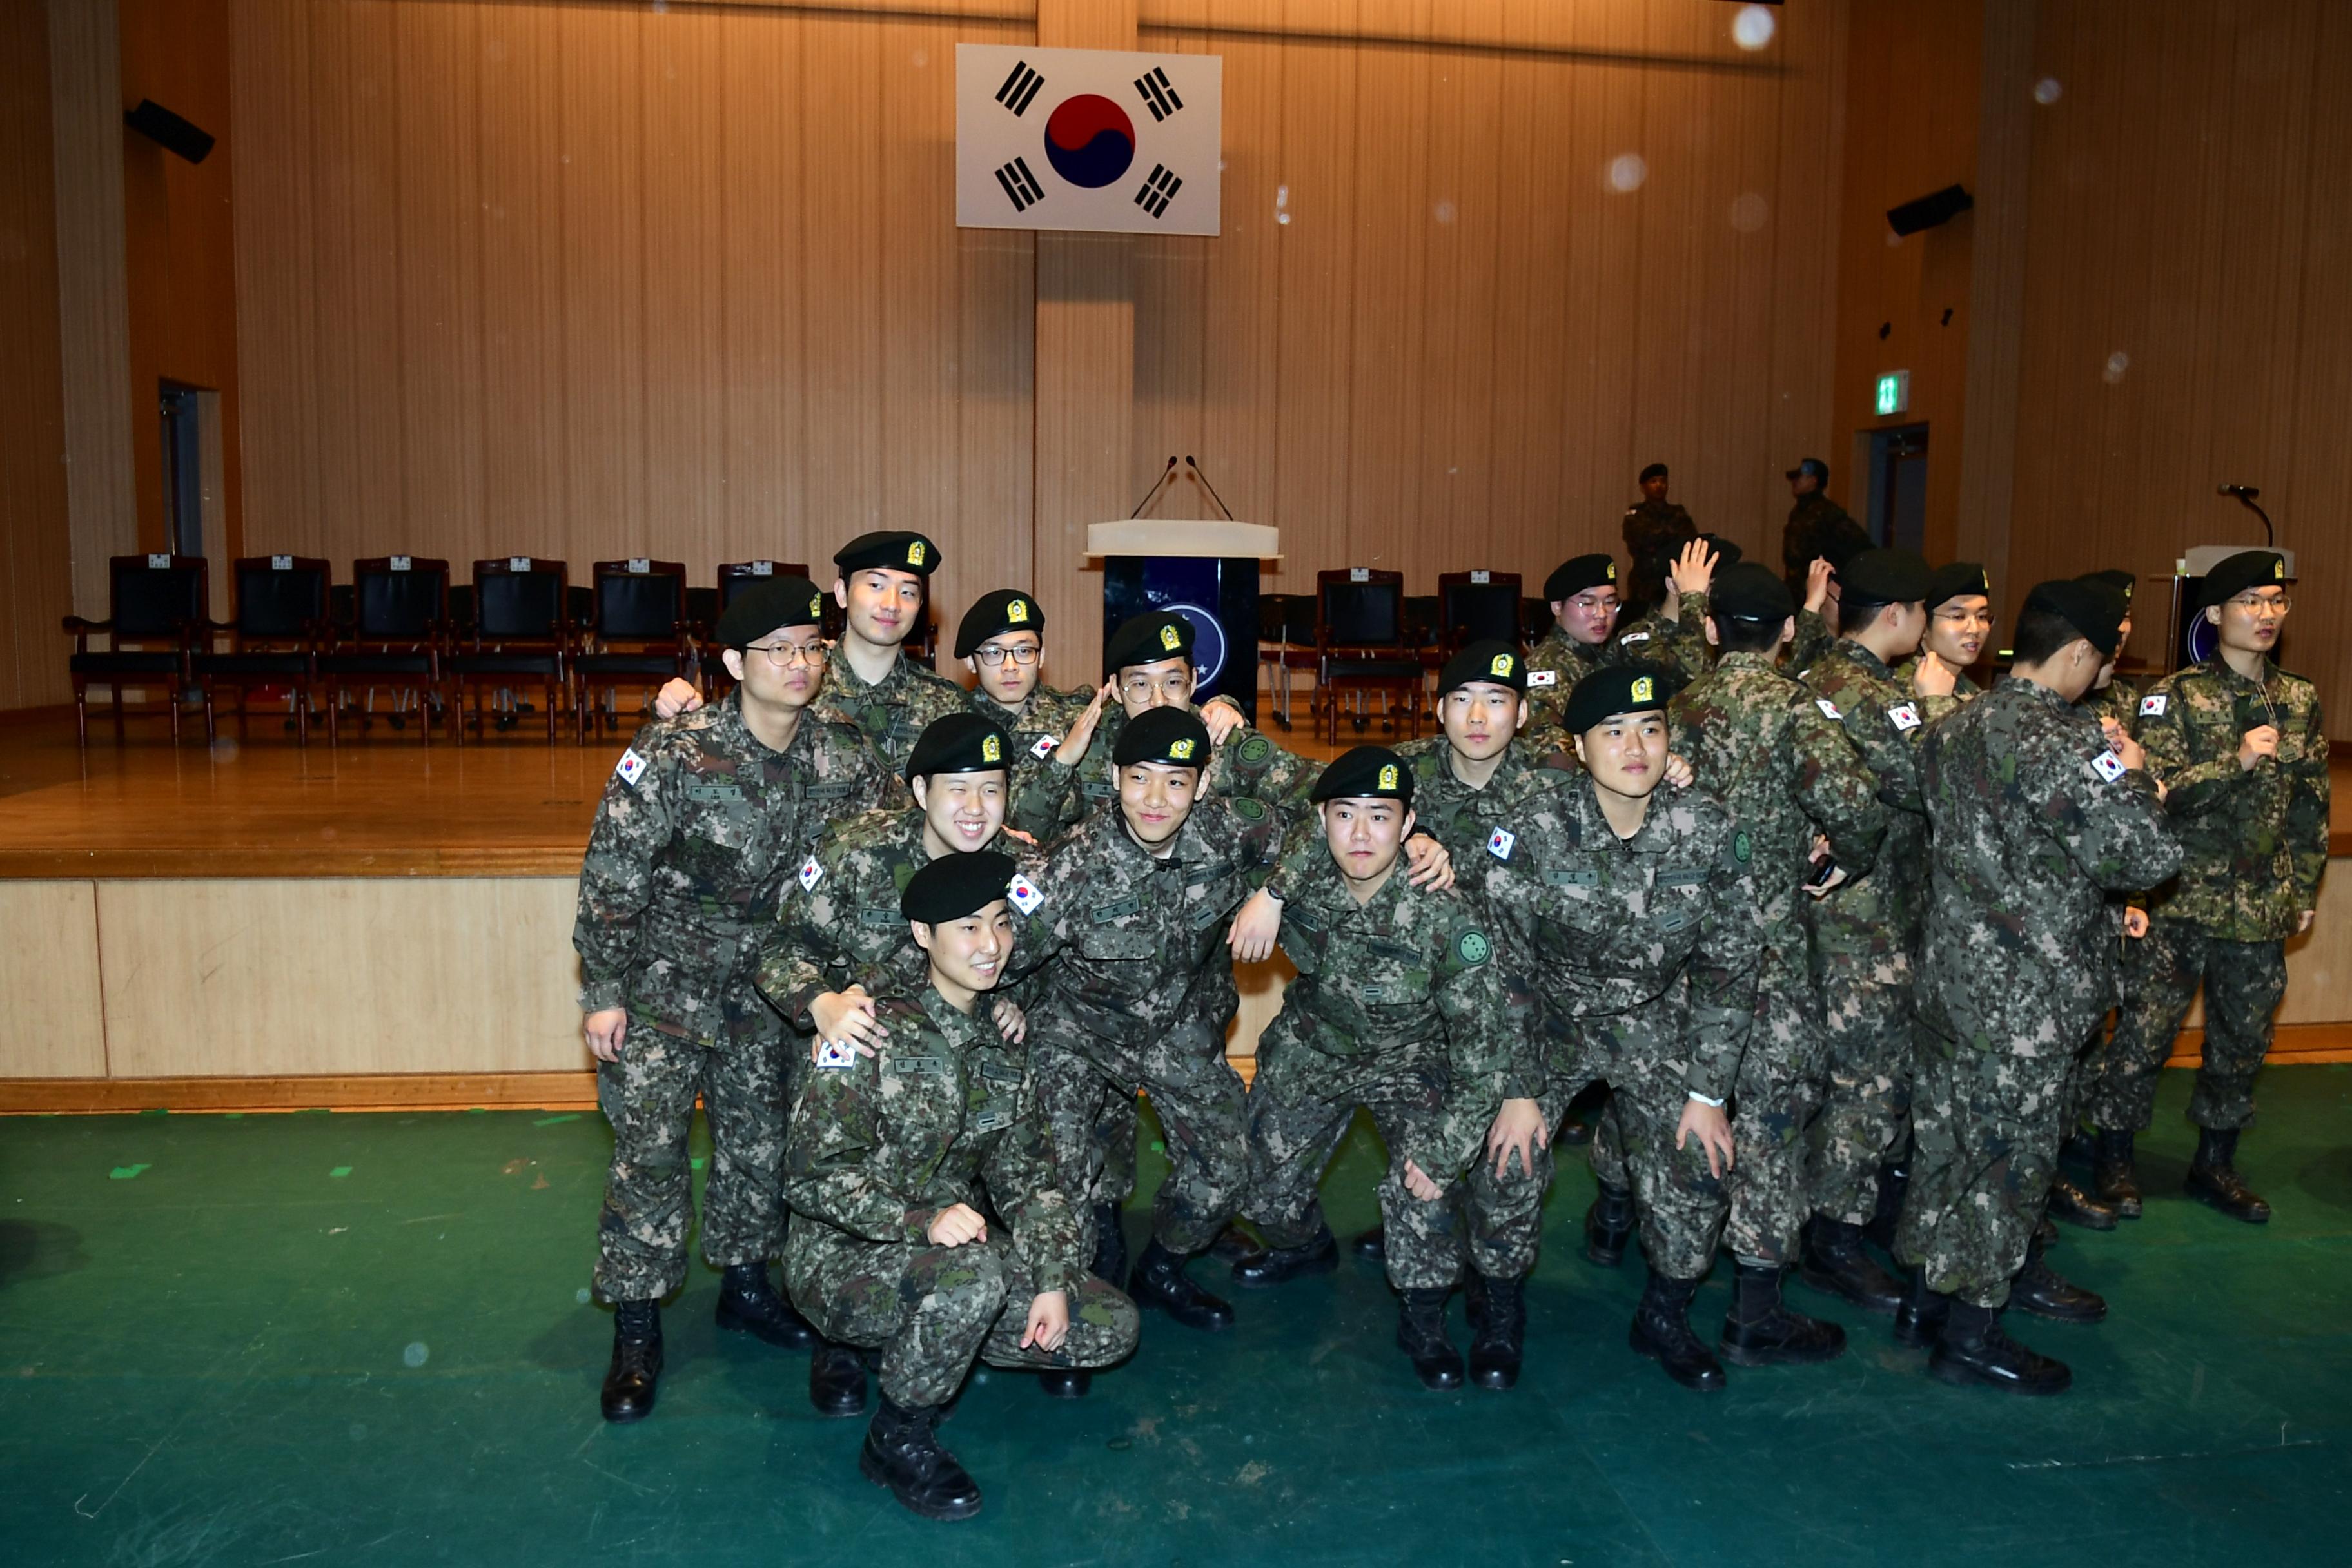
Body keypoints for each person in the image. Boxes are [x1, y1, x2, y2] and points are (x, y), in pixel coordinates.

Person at [573, 579, 897, 1423]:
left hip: (769, 994)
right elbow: (613, 869)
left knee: (759, 1150)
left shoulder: (844, 754)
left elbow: (890, 849)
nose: (798, 664)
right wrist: (603, 990)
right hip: (663, 992)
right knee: (648, 1157)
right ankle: (638, 1327)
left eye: (811, 648)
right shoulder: (676, 752)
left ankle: (746, 1288)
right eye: (778, 650)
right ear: (731, 664)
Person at [782, 850, 1140, 1522]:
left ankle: (918, 1340)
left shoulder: (1003, 1044)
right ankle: (899, 1434)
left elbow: (1032, 1182)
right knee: (970, 1277)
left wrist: (1053, 1278)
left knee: (1108, 1326)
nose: (992, 944)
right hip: (836, 1256)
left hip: (940, 1248)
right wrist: (920, 1218)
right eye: (968, 927)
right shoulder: (869, 1027)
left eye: (1001, 924)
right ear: (923, 934)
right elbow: (808, 1176)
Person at [1898, 580, 2180, 1394]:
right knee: (2009, 1161)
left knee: (1947, 1147)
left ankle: (1927, 1300)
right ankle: (1974, 1331)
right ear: (2083, 654)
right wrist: (2135, 779)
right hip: (2026, 997)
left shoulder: (1956, 725)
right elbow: (2145, 858)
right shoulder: (2064, 742)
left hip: (1952, 978)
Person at [1465, 665, 1768, 1391]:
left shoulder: (1710, 829)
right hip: (1548, 1016)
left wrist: (1708, 1092)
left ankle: (1665, 1311)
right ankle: (1498, 1307)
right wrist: (1515, 1087)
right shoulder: (1531, 831)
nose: (1636, 746)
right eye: (1614, 731)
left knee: (1701, 1158)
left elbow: (1731, 968)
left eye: (1651, 728)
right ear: (1577, 744)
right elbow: (1498, 967)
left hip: (1653, 1017)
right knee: (1508, 1157)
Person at [1226, 746, 1516, 1389]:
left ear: (1410, 824)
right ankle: (1305, 1245)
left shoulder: (1445, 911)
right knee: (1254, 1186)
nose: (1361, 835)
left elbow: (1481, 1047)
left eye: (1381, 817)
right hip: (1316, 1045)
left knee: (1424, 1183)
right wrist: (1271, 893)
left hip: (1411, 1058)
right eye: (1345, 815)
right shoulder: (1303, 877)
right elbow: (1251, 810)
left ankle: (1424, 1311)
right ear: (1322, 821)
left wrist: (1446, 1147)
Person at [1007, 707, 1291, 1335]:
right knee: (1056, 1171)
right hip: (1079, 1036)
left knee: (1227, 1164)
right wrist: (1003, 1000)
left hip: (1174, 1028)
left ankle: (1162, 1266)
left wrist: (1274, 893)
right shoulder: (1070, 865)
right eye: (1139, 777)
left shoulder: (1228, 832)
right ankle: (1068, 1305)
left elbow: (1328, 830)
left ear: (1204, 784)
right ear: (1113, 776)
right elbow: (997, 952)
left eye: (1175, 779)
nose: (1156, 798)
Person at [1669, 563, 1887, 1367]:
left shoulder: (1677, 707)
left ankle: (1665, 1274)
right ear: (1789, 632)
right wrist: (1838, 863)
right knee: (1769, 1119)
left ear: (1715, 628)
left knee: (1686, 1105)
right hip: (1767, 955)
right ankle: (1755, 1307)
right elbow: (1860, 807)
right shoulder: (1797, 710)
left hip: (1684, 947)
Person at [2087, 549, 2327, 1226]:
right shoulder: (2176, 696)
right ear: (2216, 614)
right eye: (2251, 600)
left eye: (2277, 600)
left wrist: (2304, 885)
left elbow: (2311, 805)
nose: (2267, 613)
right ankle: (2115, 1156)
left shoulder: (2300, 698)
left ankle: (2216, 1163)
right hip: (2179, 900)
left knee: (2242, 1039)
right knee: (2144, 1035)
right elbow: (2157, 793)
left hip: (2258, 904)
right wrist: (2239, 759)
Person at [1794, 547, 1946, 1311]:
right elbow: (1929, 783)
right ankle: (1838, 1235)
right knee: (1868, 1081)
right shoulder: (1881, 695)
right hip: (1868, 923)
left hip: (1821, 917)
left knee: (1829, 1075)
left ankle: (1834, 1213)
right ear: (1899, 616)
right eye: (1925, 612)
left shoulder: (1812, 676)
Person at [652, 530, 966, 772]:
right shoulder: (797, 678)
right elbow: (727, 737)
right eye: (876, 586)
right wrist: (671, 707)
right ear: (842, 593)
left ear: (920, 606)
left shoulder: (946, 703)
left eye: (908, 591)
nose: (892, 604)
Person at [1008, 609, 1311, 840]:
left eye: (1173, 682)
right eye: (1140, 684)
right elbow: (1026, 830)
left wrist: (1274, 893)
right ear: (1115, 688)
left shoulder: (1220, 738)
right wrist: (1063, 761)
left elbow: (1324, 803)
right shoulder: (1087, 741)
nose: (1158, 700)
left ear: (1193, 682)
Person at [956, 589, 1101, 785]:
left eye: (1024, 651)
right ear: (971, 662)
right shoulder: (952, 725)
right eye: (994, 652)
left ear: (1041, 657)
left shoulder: (1076, 722)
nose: (1010, 667)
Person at [1524, 554, 1625, 753]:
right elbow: (1551, 751)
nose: (1602, 614)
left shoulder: (1610, 655)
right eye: (1588, 604)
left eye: (1610, 602)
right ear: (1557, 607)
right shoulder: (1546, 669)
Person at [1614, 536, 1731, 680]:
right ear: (1672, 585)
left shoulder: (1717, 632)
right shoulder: (1638, 640)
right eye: (1708, 587)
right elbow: (1693, 673)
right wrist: (1692, 596)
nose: (1716, 595)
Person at [1895, 562, 1994, 720]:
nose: (1975, 629)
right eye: (1958, 617)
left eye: (1982, 617)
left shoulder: (1974, 693)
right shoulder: (1898, 690)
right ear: (1924, 624)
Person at [1781, 458, 1868, 602]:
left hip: (1816, 589)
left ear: (1813, 481)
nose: (1794, 482)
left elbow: (1858, 543)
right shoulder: (1798, 512)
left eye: (1800, 478)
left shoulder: (1827, 511)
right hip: (1796, 589)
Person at [1622, 461, 1697, 614]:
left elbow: (1688, 541)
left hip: (1673, 579)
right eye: (1653, 482)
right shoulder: (1636, 514)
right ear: (1643, 487)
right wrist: (1669, 534)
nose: (1659, 486)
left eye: (1663, 481)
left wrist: (1659, 536)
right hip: (1645, 581)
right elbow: (1641, 539)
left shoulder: (1678, 513)